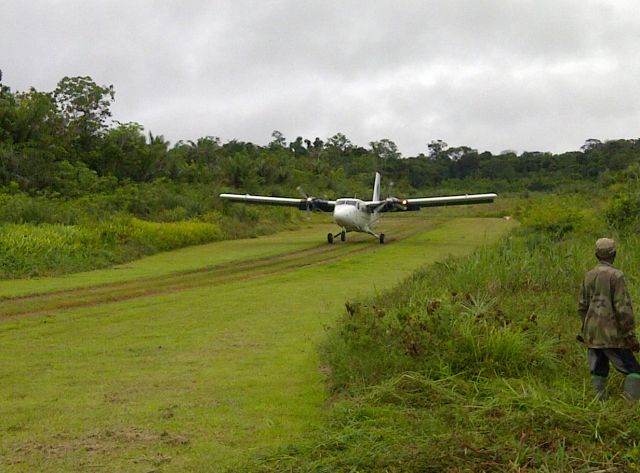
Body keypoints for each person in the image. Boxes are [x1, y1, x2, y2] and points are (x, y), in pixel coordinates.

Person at [578, 237, 640, 400]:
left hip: (592, 332)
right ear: (614, 254)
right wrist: (629, 335)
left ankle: (599, 406)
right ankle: (630, 406)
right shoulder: (616, 276)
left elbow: (582, 306)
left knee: (599, 370)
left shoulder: (588, 275)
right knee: (633, 370)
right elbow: (623, 308)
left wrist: (585, 329)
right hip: (612, 333)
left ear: (596, 255)